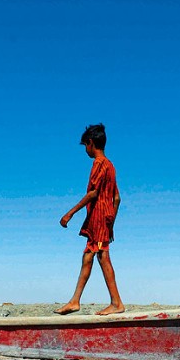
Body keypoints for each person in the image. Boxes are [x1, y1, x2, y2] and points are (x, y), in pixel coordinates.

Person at [55, 123, 124, 316]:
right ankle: (75, 301)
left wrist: (70, 213)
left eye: (85, 145)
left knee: (102, 256)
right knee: (88, 256)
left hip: (99, 216)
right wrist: (112, 224)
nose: (85, 150)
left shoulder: (99, 164)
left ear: (91, 143)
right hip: (102, 218)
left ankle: (116, 303)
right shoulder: (111, 166)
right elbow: (117, 198)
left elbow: (93, 193)